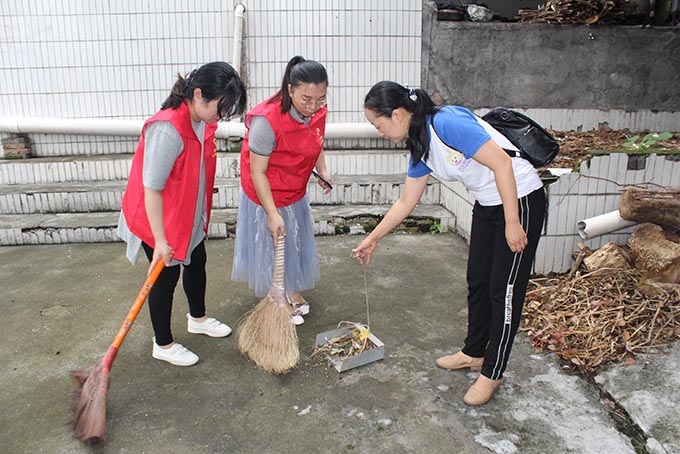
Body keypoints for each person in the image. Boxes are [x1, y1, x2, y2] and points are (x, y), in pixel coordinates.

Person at [352, 81, 546, 405]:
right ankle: (474, 352)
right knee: (478, 281)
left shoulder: (445, 123)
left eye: (378, 124)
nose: (378, 131)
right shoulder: (421, 145)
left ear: (397, 114)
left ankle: (493, 372)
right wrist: (372, 238)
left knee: (504, 291)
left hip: (521, 198)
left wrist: (513, 223)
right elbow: (406, 202)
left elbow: (502, 163)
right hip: (488, 203)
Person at [118, 62, 247, 366]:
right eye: (221, 107)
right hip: (158, 218)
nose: (223, 115)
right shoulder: (167, 128)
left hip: (185, 213)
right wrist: (160, 241)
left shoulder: (200, 119)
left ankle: (197, 318)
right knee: (165, 276)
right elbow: (151, 189)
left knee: (196, 260)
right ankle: (162, 343)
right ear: (199, 95)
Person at [231, 56, 332, 325]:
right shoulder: (267, 120)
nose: (313, 106)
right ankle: (275, 296)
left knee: (294, 244)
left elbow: (317, 138)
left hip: (294, 187)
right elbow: (257, 171)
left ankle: (292, 288)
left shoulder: (317, 109)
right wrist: (271, 212)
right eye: (306, 99)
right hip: (267, 190)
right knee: (272, 245)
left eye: (320, 98)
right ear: (289, 90)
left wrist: (321, 169)